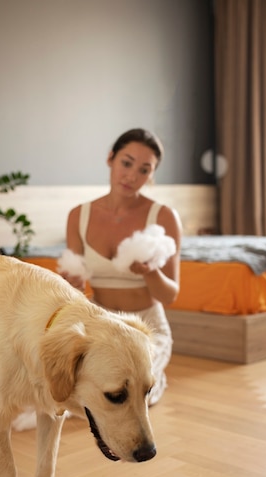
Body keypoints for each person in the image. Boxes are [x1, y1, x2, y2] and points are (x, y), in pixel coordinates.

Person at [60, 128, 182, 405]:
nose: (131, 176)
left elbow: (170, 296)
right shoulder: (79, 216)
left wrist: (150, 271)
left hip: (146, 329)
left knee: (127, 397)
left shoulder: (163, 216)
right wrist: (73, 285)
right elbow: (73, 289)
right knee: (76, 393)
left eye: (144, 170)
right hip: (101, 325)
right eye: (126, 163)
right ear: (111, 159)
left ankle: (154, 380)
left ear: (151, 175)